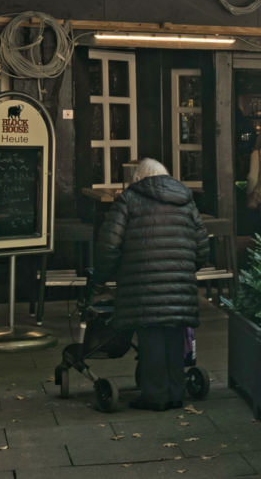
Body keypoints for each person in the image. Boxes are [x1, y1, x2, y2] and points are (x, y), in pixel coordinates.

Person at [94, 159, 211, 411]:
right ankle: (175, 393)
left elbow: (109, 246)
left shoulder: (127, 200)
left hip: (142, 284)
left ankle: (156, 396)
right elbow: (202, 247)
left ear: (139, 178)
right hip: (179, 284)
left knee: (151, 339)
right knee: (173, 336)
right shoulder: (186, 201)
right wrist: (183, 271)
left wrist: (102, 277)